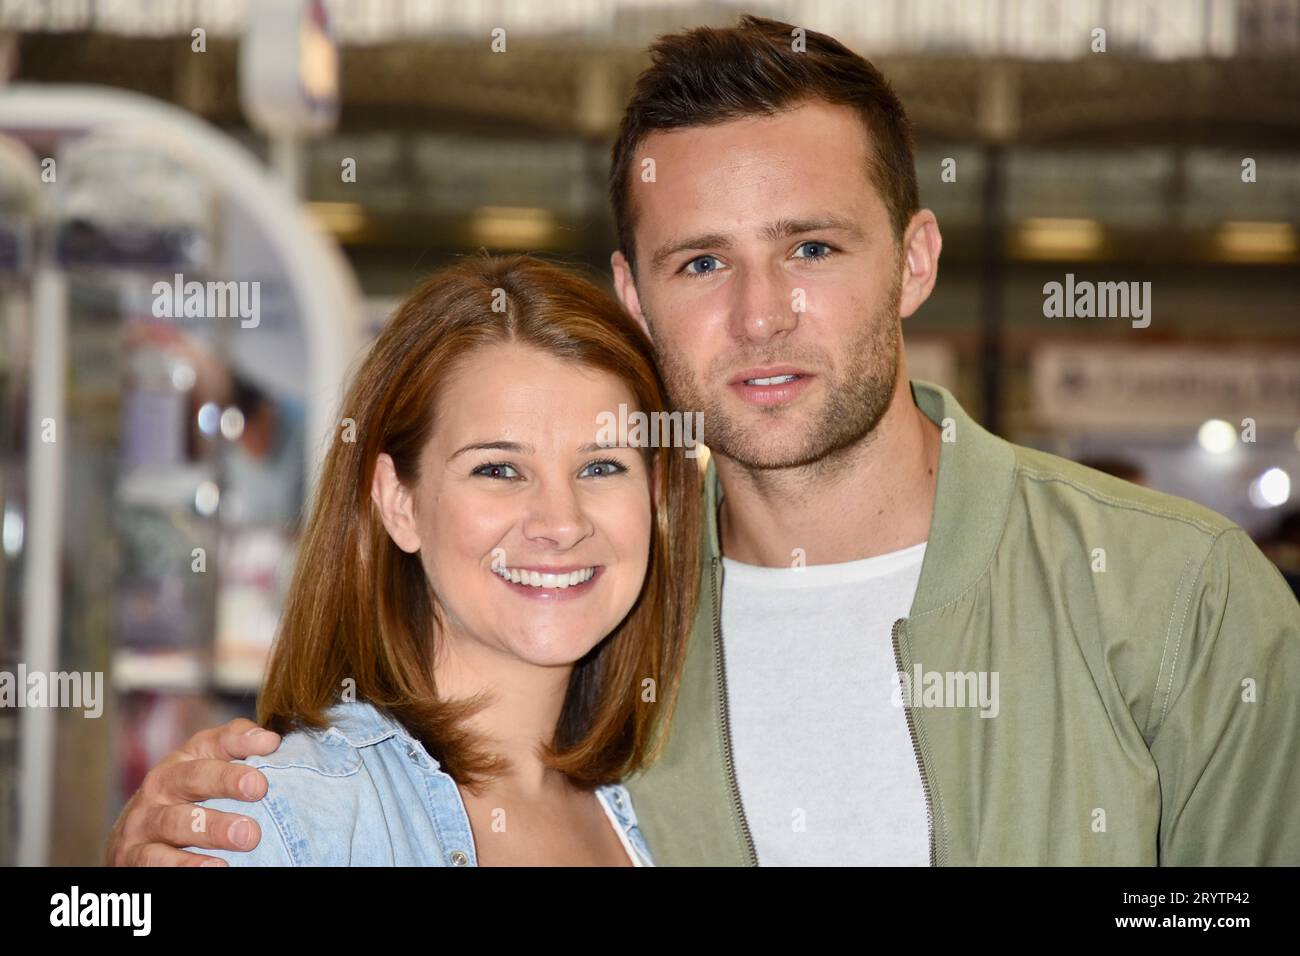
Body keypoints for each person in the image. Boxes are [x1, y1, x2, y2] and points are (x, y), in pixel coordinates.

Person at [108, 15, 1300, 867]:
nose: (760, 311)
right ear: (633, 295)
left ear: (916, 261)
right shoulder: (603, 613)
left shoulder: (1173, 597)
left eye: (814, 248)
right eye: (701, 261)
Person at [169, 253, 701, 865]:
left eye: (602, 466)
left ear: (655, 495)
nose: (561, 523)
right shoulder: (286, 816)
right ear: (399, 502)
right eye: (499, 469)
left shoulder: (649, 812)